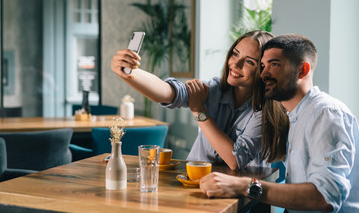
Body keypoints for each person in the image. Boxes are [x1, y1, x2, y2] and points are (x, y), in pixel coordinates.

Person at [199, 34, 359, 213]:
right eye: (263, 66)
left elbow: (324, 197)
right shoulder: (296, 115)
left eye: (274, 65)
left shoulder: (326, 114)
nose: (263, 74)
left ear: (302, 70)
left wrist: (246, 185)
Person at [111, 30, 288, 170]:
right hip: (196, 183)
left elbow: (235, 160)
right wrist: (130, 73)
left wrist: (199, 110)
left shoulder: (265, 110)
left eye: (249, 62)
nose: (236, 64)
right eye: (235, 54)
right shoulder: (213, 89)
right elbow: (169, 92)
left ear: (263, 70)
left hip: (241, 196)